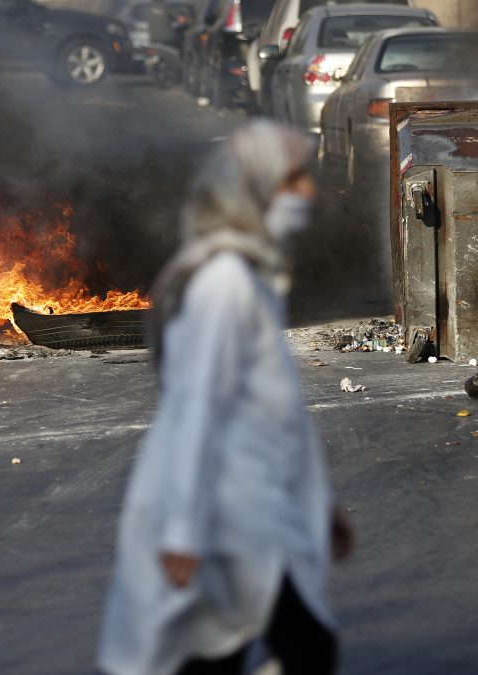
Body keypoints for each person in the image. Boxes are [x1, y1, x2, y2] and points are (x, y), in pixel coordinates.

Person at [98, 120, 353, 675]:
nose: (308, 193)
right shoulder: (225, 283)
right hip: (223, 512)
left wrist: (317, 503)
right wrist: (185, 530)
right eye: (293, 181)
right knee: (300, 649)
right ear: (253, 190)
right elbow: (195, 407)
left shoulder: (251, 276)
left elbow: (270, 408)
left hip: (250, 506)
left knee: (223, 654)